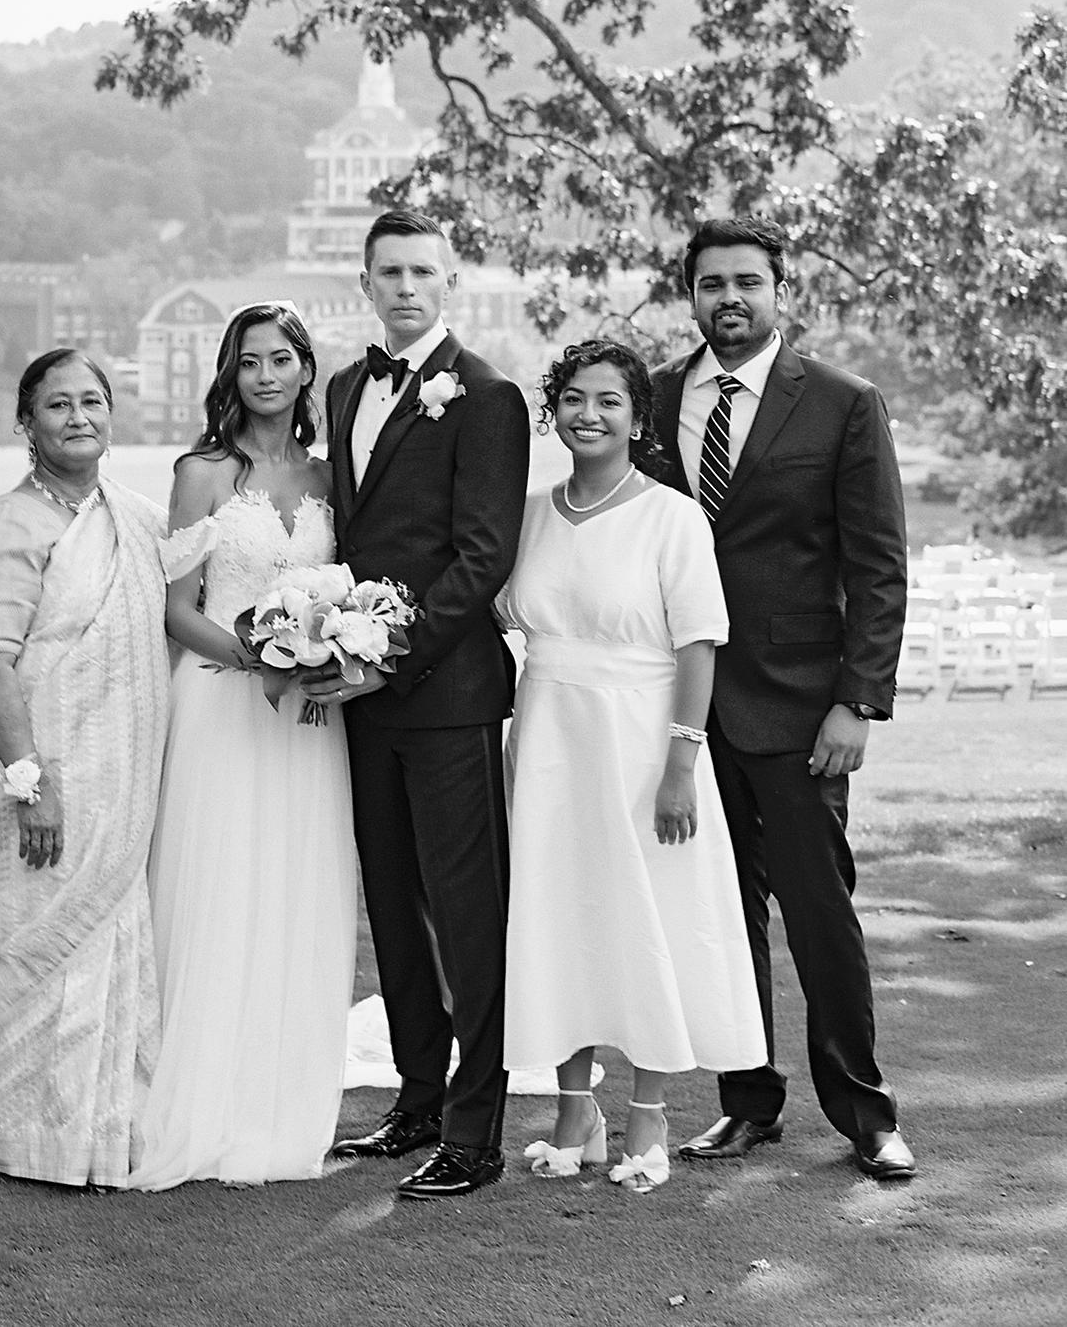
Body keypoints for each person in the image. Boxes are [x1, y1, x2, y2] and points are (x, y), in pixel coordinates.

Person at [652, 215, 916, 1182]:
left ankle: (865, 1114)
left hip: (804, 708)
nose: (729, 298)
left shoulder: (843, 402)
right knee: (720, 914)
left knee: (818, 913)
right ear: (690, 293)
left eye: (747, 282)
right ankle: (745, 1102)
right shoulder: (650, 400)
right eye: (711, 283)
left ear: (778, 289)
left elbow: (879, 564)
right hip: (684, 708)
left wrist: (859, 702)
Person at [498, 341, 765, 1193]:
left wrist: (681, 764)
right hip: (547, 741)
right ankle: (575, 1111)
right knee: (561, 916)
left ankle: (650, 1119)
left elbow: (698, 645)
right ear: (554, 410)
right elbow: (501, 612)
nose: (589, 415)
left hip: (644, 740)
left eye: (609, 401)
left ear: (636, 417)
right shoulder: (530, 514)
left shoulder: (670, 517)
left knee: (648, 916)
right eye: (573, 399)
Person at [319, 209, 530, 1200]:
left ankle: (476, 1131)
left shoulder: (487, 396)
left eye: (422, 271)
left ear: (450, 281)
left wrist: (387, 652)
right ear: (365, 281)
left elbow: (483, 556)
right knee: (393, 909)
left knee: (465, 914)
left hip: (443, 691)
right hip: (361, 699)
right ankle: (415, 1097)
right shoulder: (345, 387)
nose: (405, 286)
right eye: (388, 271)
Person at [130, 303, 357, 1188]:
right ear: (230, 374)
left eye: (281, 359)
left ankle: (282, 1105)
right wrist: (262, 657)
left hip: (311, 722)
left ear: (305, 368)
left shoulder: (333, 476)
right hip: (223, 707)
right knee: (216, 885)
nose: (265, 375)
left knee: (301, 887)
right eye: (249, 361)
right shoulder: (204, 473)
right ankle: (199, 1102)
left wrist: (318, 662)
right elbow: (175, 608)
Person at [0, 349, 171, 1188]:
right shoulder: (6, 525)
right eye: (58, 406)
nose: (78, 417)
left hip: (122, 783)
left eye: (92, 402)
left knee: (111, 945)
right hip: (42, 784)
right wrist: (30, 783)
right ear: (26, 424)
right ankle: (33, 1138)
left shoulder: (137, 519)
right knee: (38, 950)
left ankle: (111, 1124)